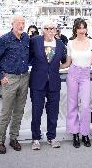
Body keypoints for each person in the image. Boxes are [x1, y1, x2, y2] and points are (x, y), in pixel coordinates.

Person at [0, 15, 30, 154]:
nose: (21, 25)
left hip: (24, 78)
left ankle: (13, 138)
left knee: (19, 111)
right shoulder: (4, 39)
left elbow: (29, 56)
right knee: (6, 112)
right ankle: (0, 141)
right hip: (10, 79)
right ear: (12, 24)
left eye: (23, 23)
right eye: (18, 23)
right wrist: (1, 77)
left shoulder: (26, 38)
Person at [60, 18, 92, 148]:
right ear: (75, 29)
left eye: (84, 28)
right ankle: (75, 133)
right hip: (73, 73)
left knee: (85, 107)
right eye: (79, 28)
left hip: (85, 75)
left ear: (86, 29)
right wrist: (55, 65)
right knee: (72, 105)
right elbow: (67, 63)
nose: (82, 30)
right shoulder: (70, 43)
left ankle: (85, 133)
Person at [29, 20, 66, 150]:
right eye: (47, 28)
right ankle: (36, 138)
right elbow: (28, 58)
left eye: (52, 28)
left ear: (56, 30)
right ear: (42, 30)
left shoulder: (61, 44)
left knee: (53, 112)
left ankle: (52, 137)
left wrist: (55, 69)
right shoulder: (35, 41)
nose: (50, 31)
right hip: (37, 82)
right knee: (36, 111)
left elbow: (65, 61)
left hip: (54, 83)